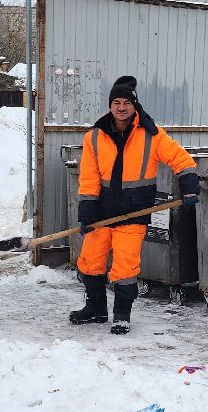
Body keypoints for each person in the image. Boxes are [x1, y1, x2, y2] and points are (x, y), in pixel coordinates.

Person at [71, 75, 199, 335]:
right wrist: (86, 209)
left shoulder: (151, 135)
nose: (121, 107)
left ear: (134, 105)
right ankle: (96, 308)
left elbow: (181, 159)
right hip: (101, 213)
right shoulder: (94, 136)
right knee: (90, 261)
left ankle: (121, 315)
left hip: (133, 212)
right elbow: (89, 176)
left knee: (125, 266)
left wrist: (188, 186)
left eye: (126, 102)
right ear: (110, 106)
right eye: (116, 102)